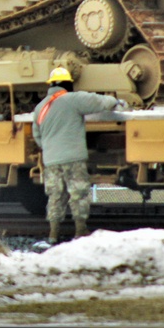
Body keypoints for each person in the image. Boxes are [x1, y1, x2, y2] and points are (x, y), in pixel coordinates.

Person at [32, 66, 125, 243]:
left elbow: (37, 135)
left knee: (55, 196)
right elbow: (97, 101)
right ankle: (80, 230)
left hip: (51, 160)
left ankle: (53, 234)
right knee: (78, 193)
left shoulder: (40, 107)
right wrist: (115, 101)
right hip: (73, 158)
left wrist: (50, 149)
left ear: (51, 85)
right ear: (68, 84)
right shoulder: (72, 99)